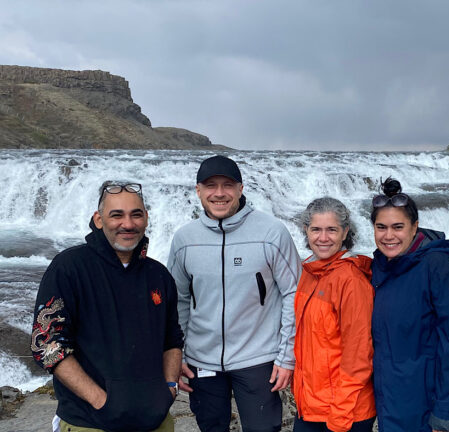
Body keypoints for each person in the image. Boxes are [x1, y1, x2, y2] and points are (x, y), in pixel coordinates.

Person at [30, 181, 184, 432]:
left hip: (156, 421)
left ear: (146, 218)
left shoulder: (159, 275)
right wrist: (102, 401)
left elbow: (172, 340)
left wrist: (169, 388)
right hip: (90, 423)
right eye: (117, 215)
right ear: (99, 219)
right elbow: (47, 344)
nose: (128, 224)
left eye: (136, 214)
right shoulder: (68, 268)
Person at [167, 155, 301, 432]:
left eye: (227, 185)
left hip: (259, 358)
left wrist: (287, 356)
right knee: (211, 427)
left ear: (241, 189)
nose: (219, 193)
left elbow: (294, 293)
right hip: (201, 360)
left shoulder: (271, 232)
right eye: (210, 186)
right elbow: (176, 300)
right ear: (198, 191)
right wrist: (177, 354)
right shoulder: (184, 240)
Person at [368, 178, 449, 432]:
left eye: (398, 227)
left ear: (414, 227)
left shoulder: (438, 267)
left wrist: (446, 414)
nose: (389, 236)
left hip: (427, 408)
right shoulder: (381, 267)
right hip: (392, 403)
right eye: (381, 227)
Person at [292, 197, 376, 432]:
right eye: (316, 229)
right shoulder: (310, 270)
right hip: (311, 405)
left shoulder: (350, 280)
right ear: (306, 231)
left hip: (343, 412)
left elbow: (358, 355)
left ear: (345, 232)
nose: (323, 238)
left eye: (332, 230)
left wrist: (340, 415)